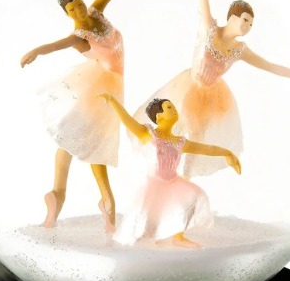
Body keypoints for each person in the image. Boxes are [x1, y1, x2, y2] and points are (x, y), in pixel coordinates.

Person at [134, 0, 290, 178]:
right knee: (176, 128)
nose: (247, 26)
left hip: (212, 97)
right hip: (189, 86)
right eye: (245, 20)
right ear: (232, 17)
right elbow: (203, 2)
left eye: (251, 24)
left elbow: (268, 65)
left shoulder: (240, 49)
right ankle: (161, 170)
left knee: (197, 136)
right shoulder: (209, 29)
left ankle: (185, 178)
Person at [20, 0, 147, 230]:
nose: (78, 11)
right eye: (72, 10)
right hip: (101, 90)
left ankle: (58, 194)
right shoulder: (80, 36)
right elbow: (57, 45)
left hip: (110, 85)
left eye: (78, 4)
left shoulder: (96, 12)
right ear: (67, 15)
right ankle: (106, 201)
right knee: (94, 142)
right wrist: (37, 51)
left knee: (75, 138)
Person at [99, 93, 241, 248]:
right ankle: (150, 236)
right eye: (169, 107)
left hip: (173, 182)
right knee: (146, 218)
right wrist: (112, 101)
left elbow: (207, 148)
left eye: (173, 107)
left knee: (195, 196)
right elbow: (127, 119)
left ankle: (178, 237)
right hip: (154, 183)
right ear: (159, 116)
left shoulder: (180, 142)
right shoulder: (148, 134)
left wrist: (227, 153)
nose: (174, 110)